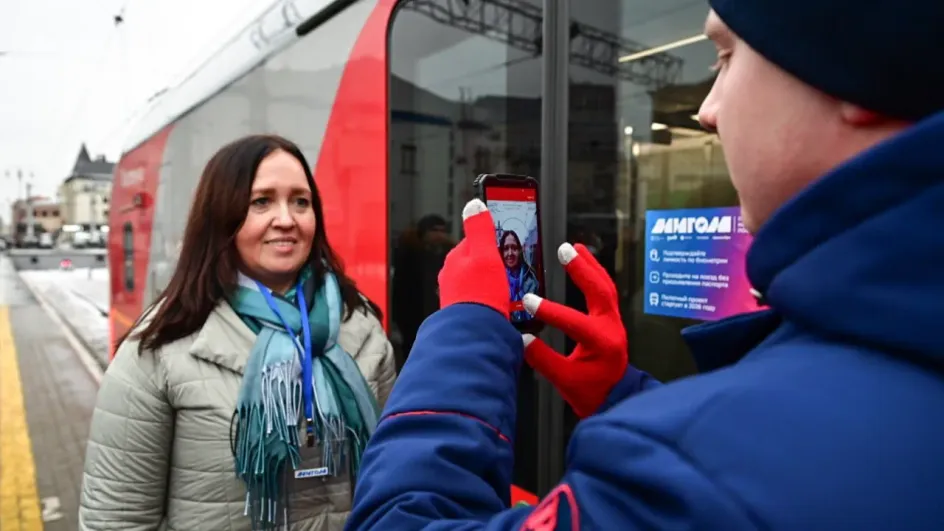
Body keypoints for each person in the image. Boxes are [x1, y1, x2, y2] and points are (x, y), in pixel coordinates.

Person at [345, 0, 944, 528]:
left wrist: (468, 326)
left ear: (845, 67)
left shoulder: (693, 469)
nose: (708, 110)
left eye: (727, 56)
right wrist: (622, 394)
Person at [79, 134, 397, 530]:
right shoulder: (159, 349)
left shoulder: (361, 327)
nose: (286, 218)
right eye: (261, 201)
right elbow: (117, 520)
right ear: (221, 217)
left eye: (301, 201)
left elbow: (396, 481)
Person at [498, 230, 538, 320]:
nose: (510, 253)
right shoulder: (496, 283)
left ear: (520, 251)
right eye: (506, 248)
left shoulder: (531, 281)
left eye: (514, 248)